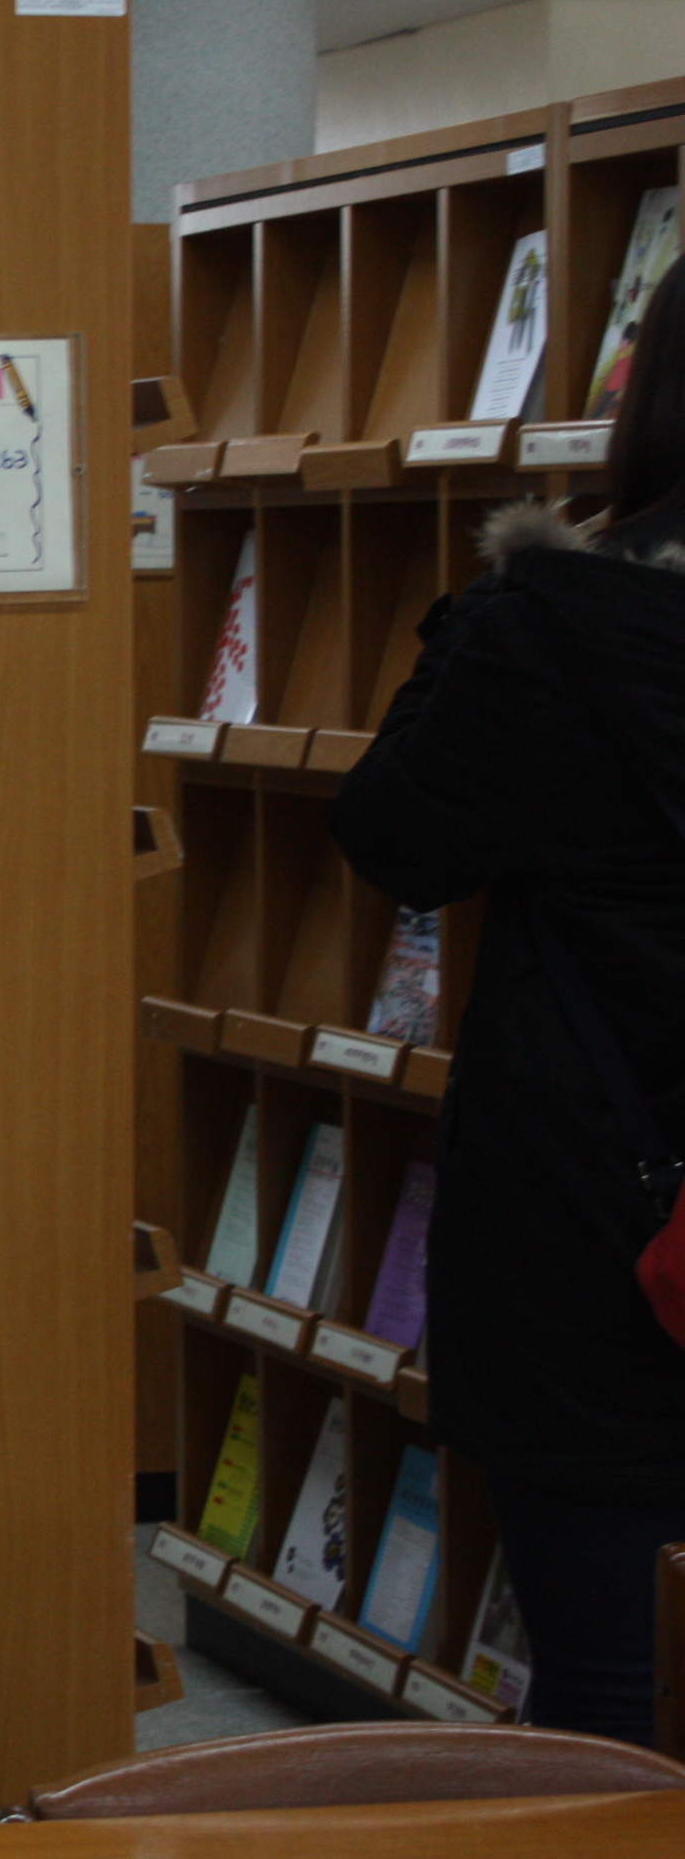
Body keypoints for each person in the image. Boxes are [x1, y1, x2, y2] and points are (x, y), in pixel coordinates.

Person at [331, 262, 685, 1747]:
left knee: (609, 1682)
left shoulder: (550, 624)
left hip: (599, 1210)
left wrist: (486, 610)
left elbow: (397, 836)